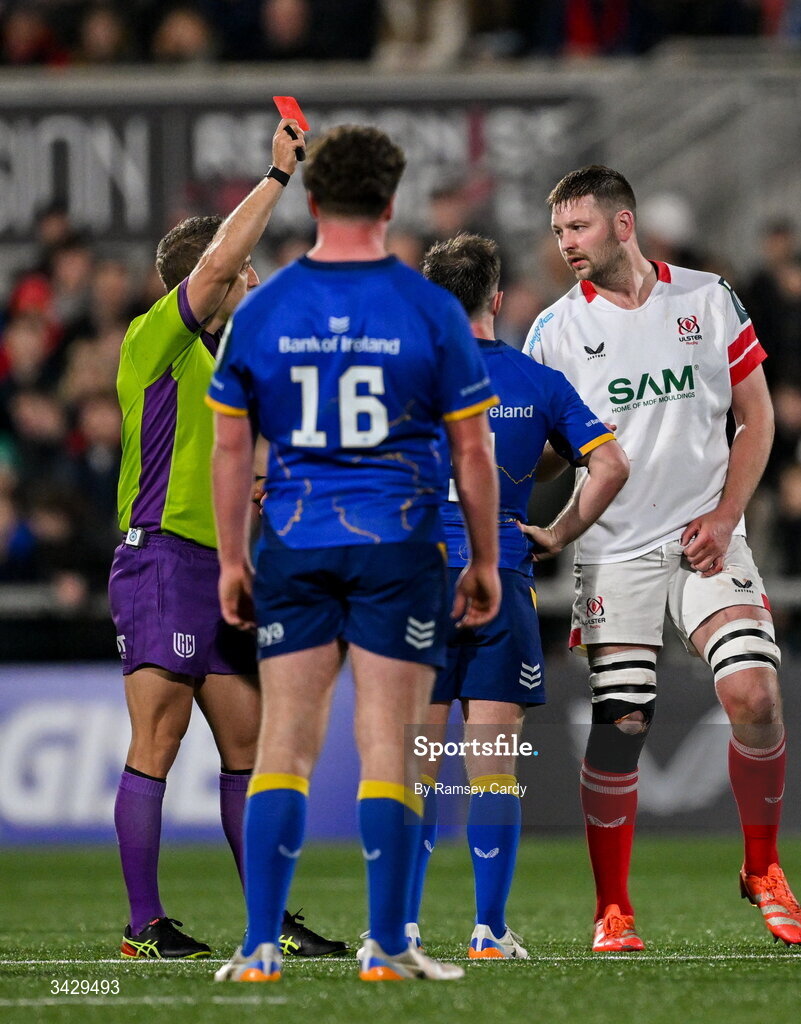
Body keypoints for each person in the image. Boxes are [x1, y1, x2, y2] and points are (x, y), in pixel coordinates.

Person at [208, 125, 502, 984]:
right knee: (390, 746)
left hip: (293, 542)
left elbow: (231, 448)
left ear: (308, 201)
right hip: (399, 546)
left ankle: (259, 946)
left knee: (284, 746)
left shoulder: (263, 309)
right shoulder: (427, 308)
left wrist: (233, 558)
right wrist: (482, 559)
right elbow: (473, 452)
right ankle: (386, 946)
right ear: (390, 202)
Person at [525, 165, 801, 952]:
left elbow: (755, 420)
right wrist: (516, 449)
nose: (565, 245)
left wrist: (726, 516)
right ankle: (611, 908)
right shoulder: (551, 331)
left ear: (623, 224)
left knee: (753, 696)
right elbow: (549, 455)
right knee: (620, 723)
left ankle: (763, 867)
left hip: (706, 535)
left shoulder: (706, 297)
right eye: (557, 233)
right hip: (612, 550)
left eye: (577, 228)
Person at [108, 116, 344, 960]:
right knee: (160, 742)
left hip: (227, 570)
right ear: (207, 279)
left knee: (249, 748)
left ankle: (267, 916)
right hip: (162, 558)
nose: (250, 273)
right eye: (240, 265)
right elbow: (214, 264)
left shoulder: (235, 366)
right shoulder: (155, 341)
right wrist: (276, 178)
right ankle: (144, 924)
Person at [410, 233, 629, 959]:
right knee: (494, 761)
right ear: (495, 302)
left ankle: (398, 928)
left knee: (413, 764)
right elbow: (610, 466)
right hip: (500, 574)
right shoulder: (534, 383)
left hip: (417, 580)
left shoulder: (399, 378)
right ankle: (486, 930)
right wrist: (558, 530)